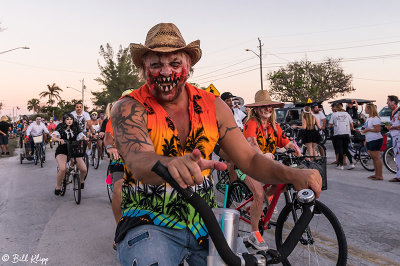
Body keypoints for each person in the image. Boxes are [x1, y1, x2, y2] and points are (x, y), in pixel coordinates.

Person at [111, 23, 321, 266]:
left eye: (175, 63)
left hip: (206, 224)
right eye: (156, 64)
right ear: (144, 69)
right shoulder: (128, 106)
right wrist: (171, 164)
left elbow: (249, 160)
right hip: (149, 221)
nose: (166, 71)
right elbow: (138, 159)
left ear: (188, 66)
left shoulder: (213, 105)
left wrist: (293, 175)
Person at [240, 90, 302, 250]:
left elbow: (283, 140)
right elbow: (251, 142)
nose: (268, 109)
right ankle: (254, 234)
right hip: (246, 164)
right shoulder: (252, 123)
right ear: (256, 109)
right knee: (259, 193)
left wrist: (294, 148)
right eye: (264, 106)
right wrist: (262, 155)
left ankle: (254, 205)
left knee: (281, 183)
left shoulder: (274, 126)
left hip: (264, 165)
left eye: (270, 106)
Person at [51, 114, 88, 195]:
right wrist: (58, 139)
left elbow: (81, 136)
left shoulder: (76, 128)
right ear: (64, 120)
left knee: (84, 169)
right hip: (62, 150)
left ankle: (81, 180)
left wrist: (84, 138)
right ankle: (58, 186)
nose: (69, 120)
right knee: (62, 168)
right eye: (67, 119)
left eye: (71, 119)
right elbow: (53, 137)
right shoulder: (60, 128)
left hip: (74, 150)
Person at [329, 103, 355, 170]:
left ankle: (341, 165)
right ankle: (351, 163)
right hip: (346, 133)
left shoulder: (334, 114)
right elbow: (351, 124)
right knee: (346, 149)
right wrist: (350, 129)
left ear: (336, 108)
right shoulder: (346, 114)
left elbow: (330, 124)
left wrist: (334, 125)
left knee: (340, 149)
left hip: (338, 133)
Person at [362, 103, 384, 180]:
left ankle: (380, 175)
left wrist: (367, 130)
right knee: (373, 157)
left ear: (370, 109)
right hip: (370, 139)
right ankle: (376, 174)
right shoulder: (368, 118)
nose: (365, 110)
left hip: (376, 139)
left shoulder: (375, 118)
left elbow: (378, 130)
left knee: (376, 157)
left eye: (366, 108)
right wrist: (366, 139)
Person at [386, 95, 400, 182]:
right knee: (397, 157)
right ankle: (398, 175)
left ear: (393, 102)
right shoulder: (394, 112)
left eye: (388, 101)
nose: (387, 103)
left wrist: (391, 127)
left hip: (398, 137)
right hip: (395, 137)